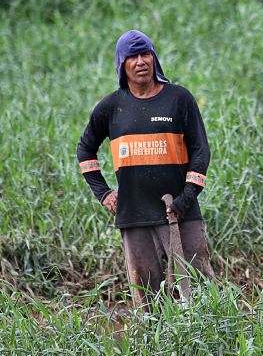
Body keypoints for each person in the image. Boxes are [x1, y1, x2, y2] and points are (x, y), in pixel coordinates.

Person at [77, 30, 213, 307]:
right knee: (147, 301)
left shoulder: (179, 99)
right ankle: (154, 349)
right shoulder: (111, 106)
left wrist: (186, 199)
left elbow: (201, 151)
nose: (140, 62)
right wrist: (103, 194)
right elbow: (85, 149)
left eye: (145, 54)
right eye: (132, 56)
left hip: (181, 213)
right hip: (134, 217)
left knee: (200, 290)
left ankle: (210, 347)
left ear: (154, 58)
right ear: (121, 64)